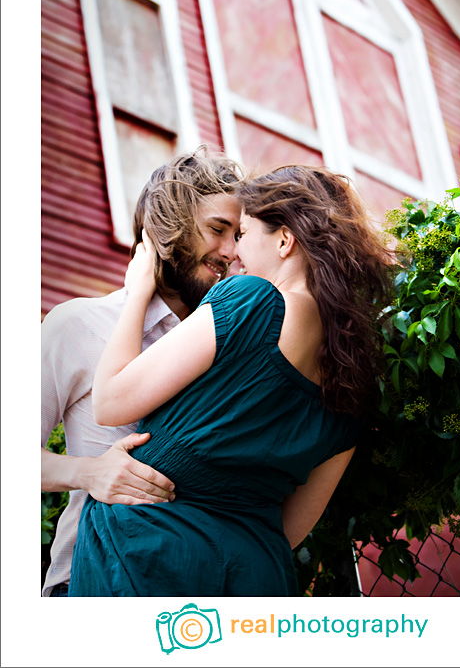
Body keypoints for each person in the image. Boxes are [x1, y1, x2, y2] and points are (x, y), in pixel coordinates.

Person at [68, 165, 393, 597]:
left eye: (242, 233)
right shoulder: (358, 382)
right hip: (254, 577)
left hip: (147, 559)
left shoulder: (250, 302)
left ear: (284, 239)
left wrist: (138, 290)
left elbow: (109, 402)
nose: (234, 253)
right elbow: (290, 528)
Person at [41, 147, 243, 596]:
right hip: (88, 584)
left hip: (197, 589)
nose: (231, 252)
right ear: (170, 228)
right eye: (217, 230)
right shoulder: (77, 325)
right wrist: (89, 473)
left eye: (240, 236)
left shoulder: (227, 345)